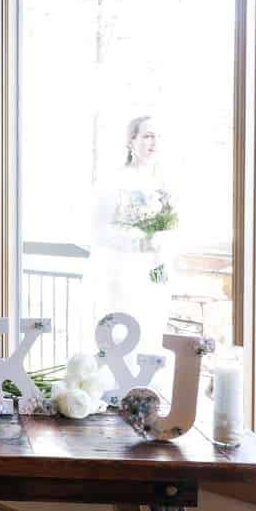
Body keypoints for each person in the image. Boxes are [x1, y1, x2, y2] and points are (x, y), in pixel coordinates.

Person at [90, 117, 178, 379]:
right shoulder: (115, 181)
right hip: (123, 271)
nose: (153, 143)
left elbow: (171, 228)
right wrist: (138, 240)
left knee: (152, 329)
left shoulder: (161, 183)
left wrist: (162, 247)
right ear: (131, 141)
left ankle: (146, 391)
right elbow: (99, 230)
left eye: (157, 137)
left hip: (154, 271)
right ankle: (118, 389)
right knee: (123, 331)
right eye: (147, 136)